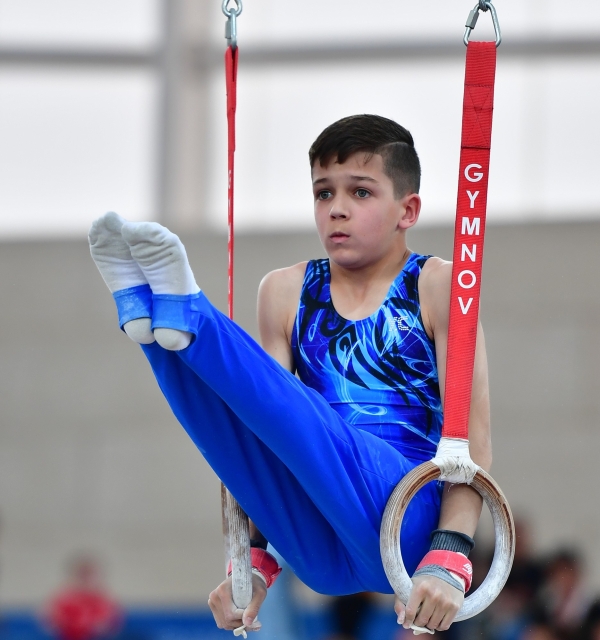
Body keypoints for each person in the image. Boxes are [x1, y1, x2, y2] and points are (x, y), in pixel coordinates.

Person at [89, 114, 491, 635]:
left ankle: (193, 315)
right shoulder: (284, 290)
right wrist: (252, 563)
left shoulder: (438, 286)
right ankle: (152, 327)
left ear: (407, 210)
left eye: (361, 193)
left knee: (314, 422)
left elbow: (472, 443)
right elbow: (269, 429)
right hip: (318, 550)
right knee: (243, 429)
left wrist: (451, 554)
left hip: (406, 520)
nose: (337, 209)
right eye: (324, 193)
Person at [42, 554, 122, 640]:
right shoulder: (62, 599)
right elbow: (52, 623)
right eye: (83, 574)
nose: (86, 578)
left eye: (89, 574)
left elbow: (111, 625)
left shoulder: (105, 599)